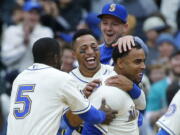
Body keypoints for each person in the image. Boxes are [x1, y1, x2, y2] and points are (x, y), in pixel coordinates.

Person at [7, 37, 117, 135]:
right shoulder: (60, 77)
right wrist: (103, 116)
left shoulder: (20, 77)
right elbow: (88, 114)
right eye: (61, 56)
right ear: (55, 57)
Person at [59, 29, 146, 135]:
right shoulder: (66, 81)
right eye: (84, 49)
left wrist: (132, 87)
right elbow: (69, 123)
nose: (90, 52)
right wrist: (82, 99)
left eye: (94, 47)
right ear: (74, 54)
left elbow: (142, 104)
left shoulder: (114, 71)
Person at [82, 37, 148, 135]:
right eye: (137, 62)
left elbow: (142, 104)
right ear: (120, 63)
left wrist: (132, 88)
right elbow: (90, 130)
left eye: (143, 61)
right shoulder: (108, 91)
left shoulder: (130, 83)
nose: (143, 66)